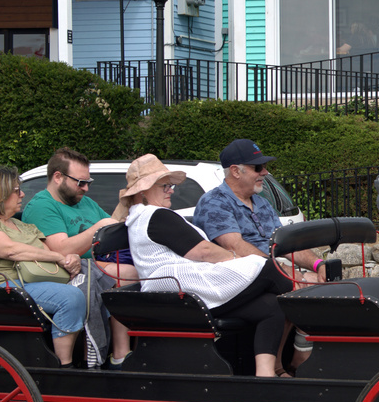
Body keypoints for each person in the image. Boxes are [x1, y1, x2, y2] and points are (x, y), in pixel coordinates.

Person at [120, 155, 294, 378]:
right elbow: (204, 251)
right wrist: (236, 260)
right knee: (267, 269)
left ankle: (265, 374)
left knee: (272, 306)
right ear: (143, 191)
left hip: (184, 287)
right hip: (182, 291)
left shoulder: (147, 216)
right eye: (165, 185)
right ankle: (309, 332)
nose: (171, 190)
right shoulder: (154, 215)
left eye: (170, 185)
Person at [0, 166, 87, 367]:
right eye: (16, 190)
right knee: (70, 297)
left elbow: (45, 250)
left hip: (29, 282)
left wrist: (70, 258)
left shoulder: (20, 224)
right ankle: (65, 366)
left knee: (92, 288)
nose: (22, 194)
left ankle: (96, 355)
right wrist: (58, 257)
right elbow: (10, 250)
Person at [21, 147, 131, 366]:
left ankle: (129, 349)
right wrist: (98, 227)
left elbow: (111, 228)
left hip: (96, 261)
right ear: (58, 177)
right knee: (131, 274)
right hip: (69, 268)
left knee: (146, 269)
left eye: (88, 181)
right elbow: (61, 250)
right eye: (80, 182)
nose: (86, 188)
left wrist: (126, 204)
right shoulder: (43, 206)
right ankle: (119, 354)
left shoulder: (84, 202)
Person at [193, 140, 323, 277]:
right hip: (239, 279)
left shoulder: (262, 203)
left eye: (264, 166)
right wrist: (280, 271)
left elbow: (286, 244)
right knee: (311, 287)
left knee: (324, 283)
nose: (265, 172)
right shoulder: (214, 202)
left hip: (267, 273)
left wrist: (319, 264)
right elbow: (234, 247)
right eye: (258, 167)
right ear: (235, 171)